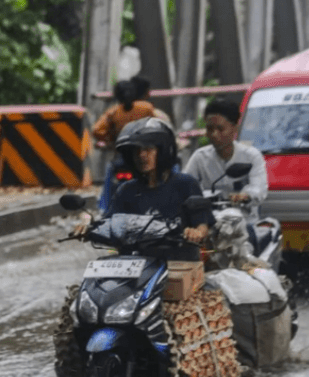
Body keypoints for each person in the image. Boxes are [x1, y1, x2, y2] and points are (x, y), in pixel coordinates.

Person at [75, 117, 213, 256]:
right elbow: (109, 223)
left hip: (177, 262)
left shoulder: (185, 184)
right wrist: (88, 227)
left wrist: (196, 233)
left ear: (162, 151)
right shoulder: (126, 190)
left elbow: (202, 224)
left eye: (148, 149)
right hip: (134, 263)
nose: (141, 155)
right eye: (136, 151)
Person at [183, 99, 268, 225]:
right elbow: (185, 185)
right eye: (210, 129)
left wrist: (244, 196)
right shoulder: (199, 157)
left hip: (245, 223)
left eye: (220, 129)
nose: (214, 134)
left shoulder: (251, 156)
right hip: (210, 223)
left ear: (234, 129)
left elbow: (259, 189)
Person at [92, 80, 157, 211]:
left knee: (110, 172)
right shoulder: (146, 108)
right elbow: (157, 125)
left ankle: (105, 208)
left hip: (123, 156)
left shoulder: (114, 112)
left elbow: (97, 130)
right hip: (145, 153)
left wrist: (110, 139)